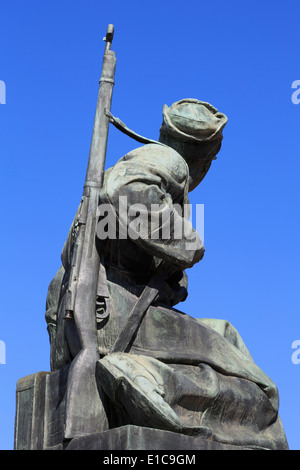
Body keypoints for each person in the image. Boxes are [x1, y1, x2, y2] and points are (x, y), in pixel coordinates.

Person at [45, 99, 288, 449]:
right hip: (113, 308)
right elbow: (126, 191)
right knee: (259, 390)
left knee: (225, 334)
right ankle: (145, 374)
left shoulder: (138, 162)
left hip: (91, 304)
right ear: (203, 156)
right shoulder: (167, 160)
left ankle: (143, 377)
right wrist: (187, 243)